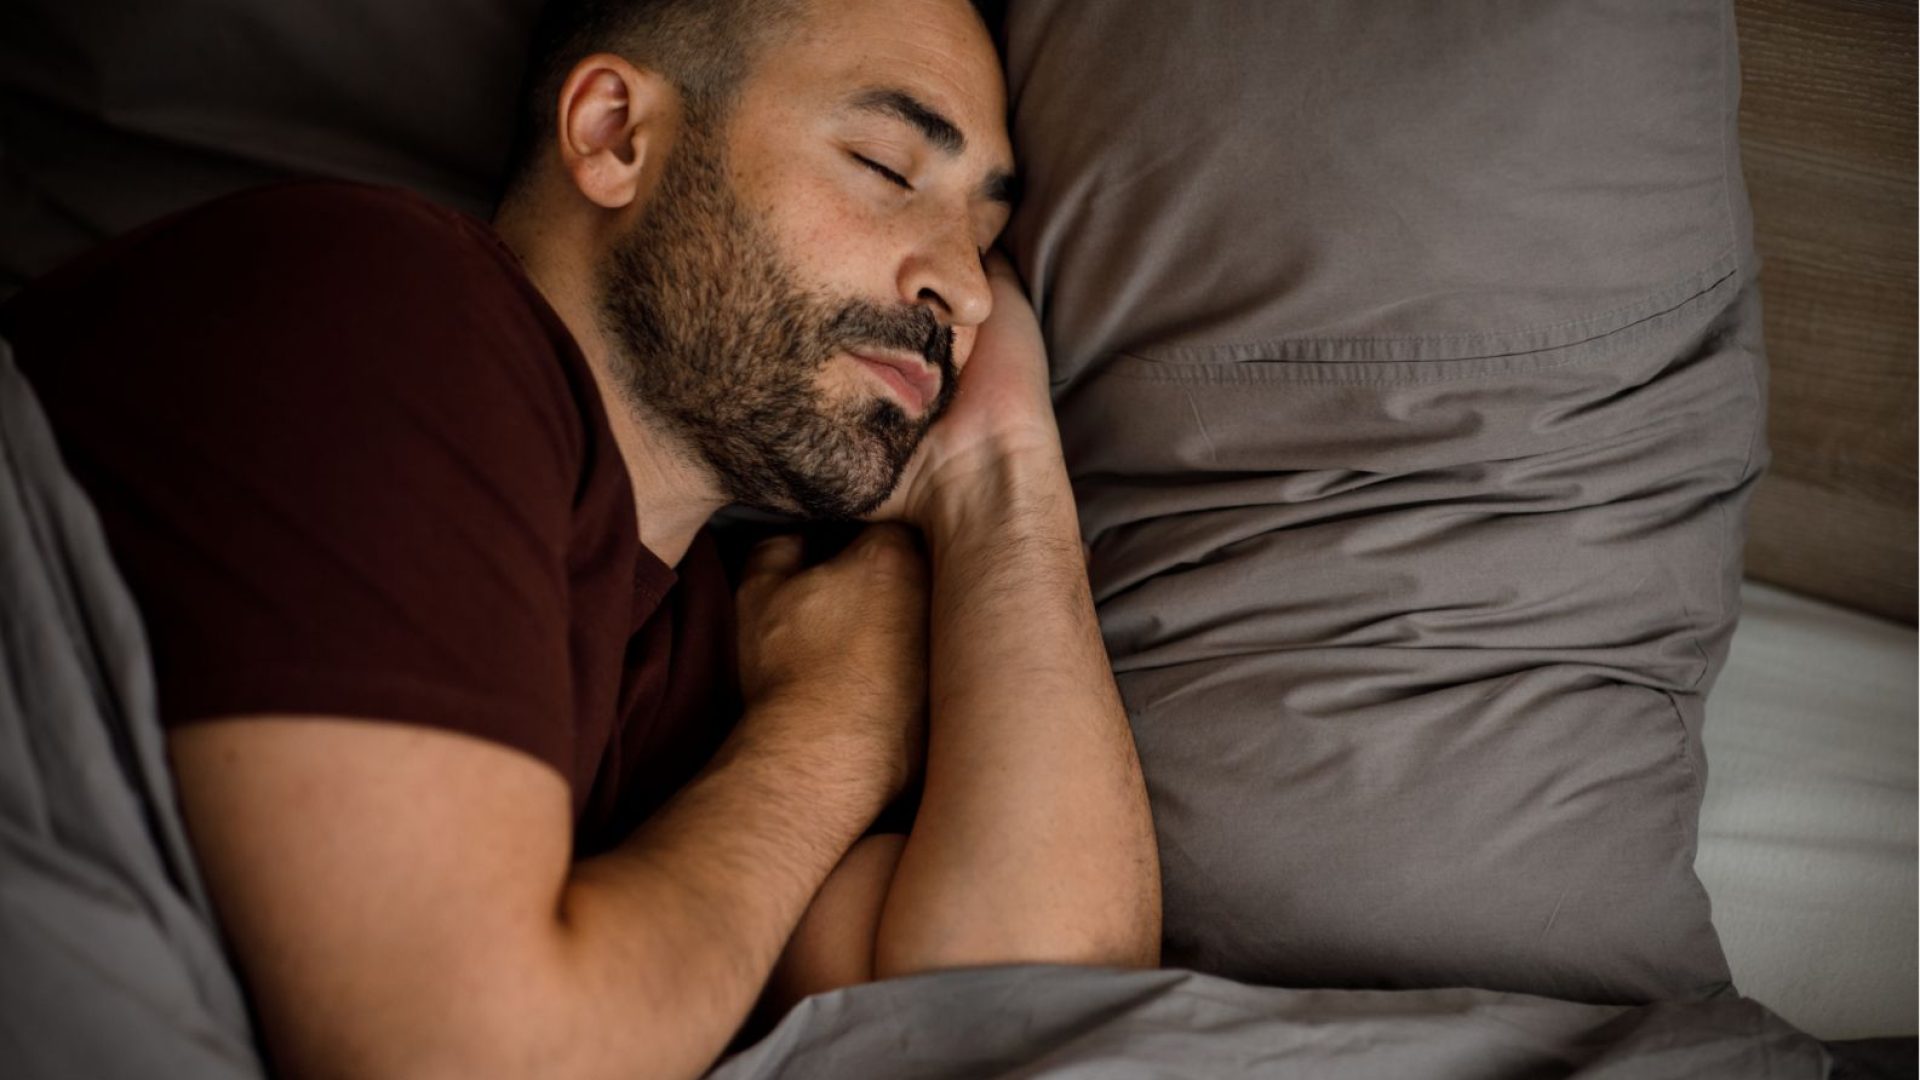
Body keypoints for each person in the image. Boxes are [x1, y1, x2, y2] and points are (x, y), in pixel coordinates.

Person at [0, 0, 1161, 1076]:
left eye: (986, 236)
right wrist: (836, 731)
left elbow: (1026, 998)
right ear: (614, 135)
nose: (961, 289)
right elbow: (459, 1056)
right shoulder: (384, 302)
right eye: (885, 168)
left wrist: (1005, 474)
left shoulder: (724, 641)